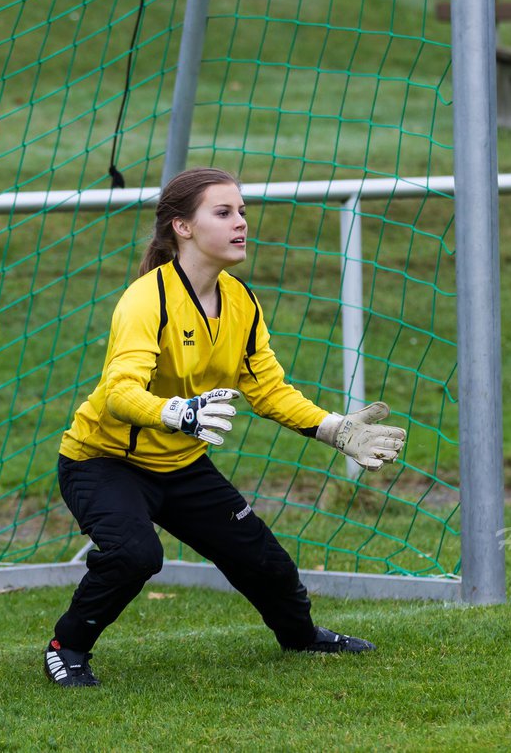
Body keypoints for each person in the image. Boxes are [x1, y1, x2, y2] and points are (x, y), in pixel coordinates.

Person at [44, 167, 406, 687]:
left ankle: (300, 637)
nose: (240, 223)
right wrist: (177, 412)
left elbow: (268, 389)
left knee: (267, 563)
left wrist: (335, 428)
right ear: (182, 228)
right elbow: (120, 394)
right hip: (102, 462)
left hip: (180, 464)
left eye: (242, 212)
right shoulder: (147, 299)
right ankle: (68, 647)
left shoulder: (240, 300)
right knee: (135, 554)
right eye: (223, 212)